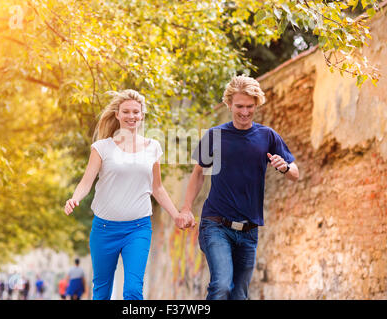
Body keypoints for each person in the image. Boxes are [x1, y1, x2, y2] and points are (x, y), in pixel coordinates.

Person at [64, 89, 194, 300]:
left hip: (138, 228)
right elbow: (87, 181)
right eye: (126, 112)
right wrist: (74, 198)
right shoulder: (102, 148)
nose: (131, 116)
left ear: (142, 115)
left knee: (133, 289)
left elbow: (157, 188)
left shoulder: (153, 147)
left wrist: (177, 215)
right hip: (104, 229)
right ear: (117, 114)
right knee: (102, 290)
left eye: (136, 112)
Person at [181, 75, 299, 300]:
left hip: (249, 230)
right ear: (228, 104)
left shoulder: (267, 136)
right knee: (222, 285)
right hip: (216, 225)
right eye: (239, 106)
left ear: (257, 104)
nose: (244, 112)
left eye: (250, 107)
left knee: (239, 295)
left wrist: (284, 167)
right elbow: (198, 173)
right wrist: (186, 208)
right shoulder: (215, 135)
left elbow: (295, 173)